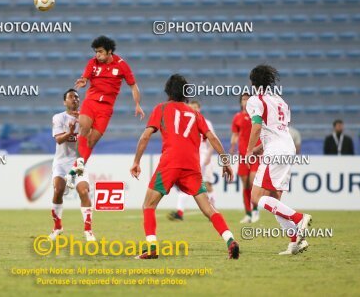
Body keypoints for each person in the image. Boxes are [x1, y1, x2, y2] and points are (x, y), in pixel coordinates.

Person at [130, 74, 239, 260]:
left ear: (168, 91)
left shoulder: (162, 108)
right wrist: (226, 162)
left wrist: (136, 161)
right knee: (208, 208)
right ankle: (230, 240)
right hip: (192, 166)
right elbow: (212, 137)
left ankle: (152, 248)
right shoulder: (195, 114)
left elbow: (145, 136)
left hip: (170, 163)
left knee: (148, 205)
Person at [246, 64, 312, 255]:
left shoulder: (255, 100)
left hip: (275, 151)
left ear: (253, 83)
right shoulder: (281, 101)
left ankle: (299, 218)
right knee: (275, 199)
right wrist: (259, 149)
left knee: (256, 197)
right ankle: (295, 242)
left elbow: (257, 126)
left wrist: (250, 150)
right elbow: (277, 130)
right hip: (287, 148)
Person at [71, 36, 144, 177]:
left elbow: (133, 86)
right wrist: (84, 81)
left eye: (100, 52)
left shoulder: (122, 65)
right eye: (96, 52)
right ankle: (78, 166)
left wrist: (137, 104)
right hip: (90, 102)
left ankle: (77, 168)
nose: (97, 55)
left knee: (91, 141)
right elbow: (85, 77)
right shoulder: (92, 63)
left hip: (105, 108)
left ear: (109, 51)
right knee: (84, 128)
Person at [49, 89, 96, 242]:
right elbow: (59, 140)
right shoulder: (59, 118)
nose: (74, 99)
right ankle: (57, 227)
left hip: (78, 161)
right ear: (65, 102)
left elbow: (90, 139)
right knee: (58, 190)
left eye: (76, 97)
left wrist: (83, 125)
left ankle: (88, 230)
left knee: (83, 191)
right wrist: (69, 132)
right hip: (61, 162)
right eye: (71, 97)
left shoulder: (85, 118)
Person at [168, 100, 216, 221]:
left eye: (196, 107)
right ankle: (180, 212)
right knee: (188, 183)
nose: (193, 109)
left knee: (208, 185)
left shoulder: (205, 122)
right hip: (192, 157)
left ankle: (214, 211)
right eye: (191, 107)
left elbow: (212, 141)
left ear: (199, 108)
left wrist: (209, 156)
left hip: (204, 157)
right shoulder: (185, 122)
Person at [230, 94, 260, 223]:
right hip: (242, 155)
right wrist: (232, 147)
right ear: (240, 102)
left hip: (254, 154)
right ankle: (248, 213)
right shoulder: (237, 117)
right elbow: (235, 134)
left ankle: (255, 210)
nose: (246, 101)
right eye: (243, 99)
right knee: (245, 184)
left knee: (253, 182)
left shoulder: (257, 116)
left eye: (248, 99)